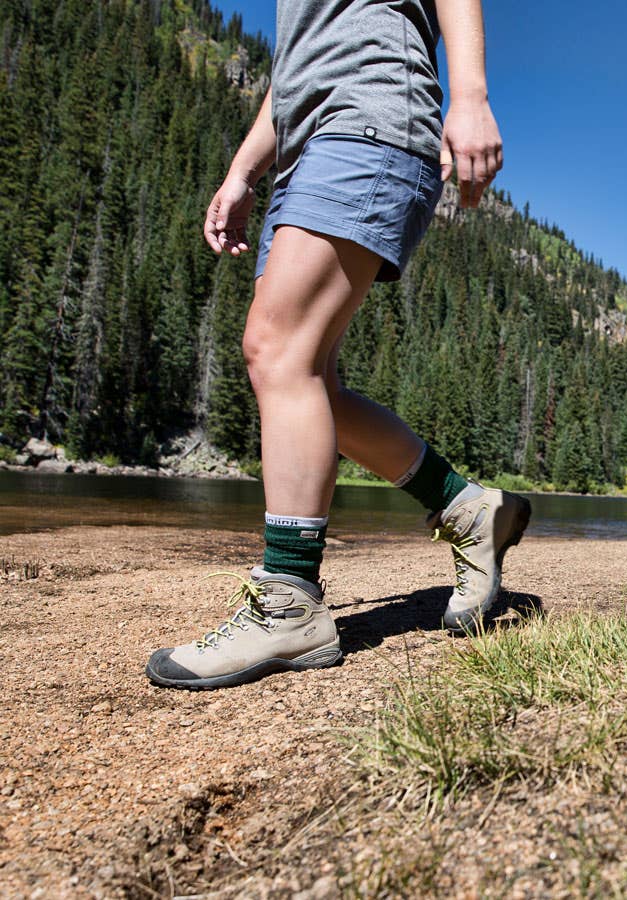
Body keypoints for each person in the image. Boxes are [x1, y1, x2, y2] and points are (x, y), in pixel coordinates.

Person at [146, 0, 530, 690]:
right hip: (308, 149)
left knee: (277, 350)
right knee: (306, 377)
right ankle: (467, 507)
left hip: (371, 123)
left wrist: (470, 95)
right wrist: (242, 173)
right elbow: (297, 66)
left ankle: (289, 603)